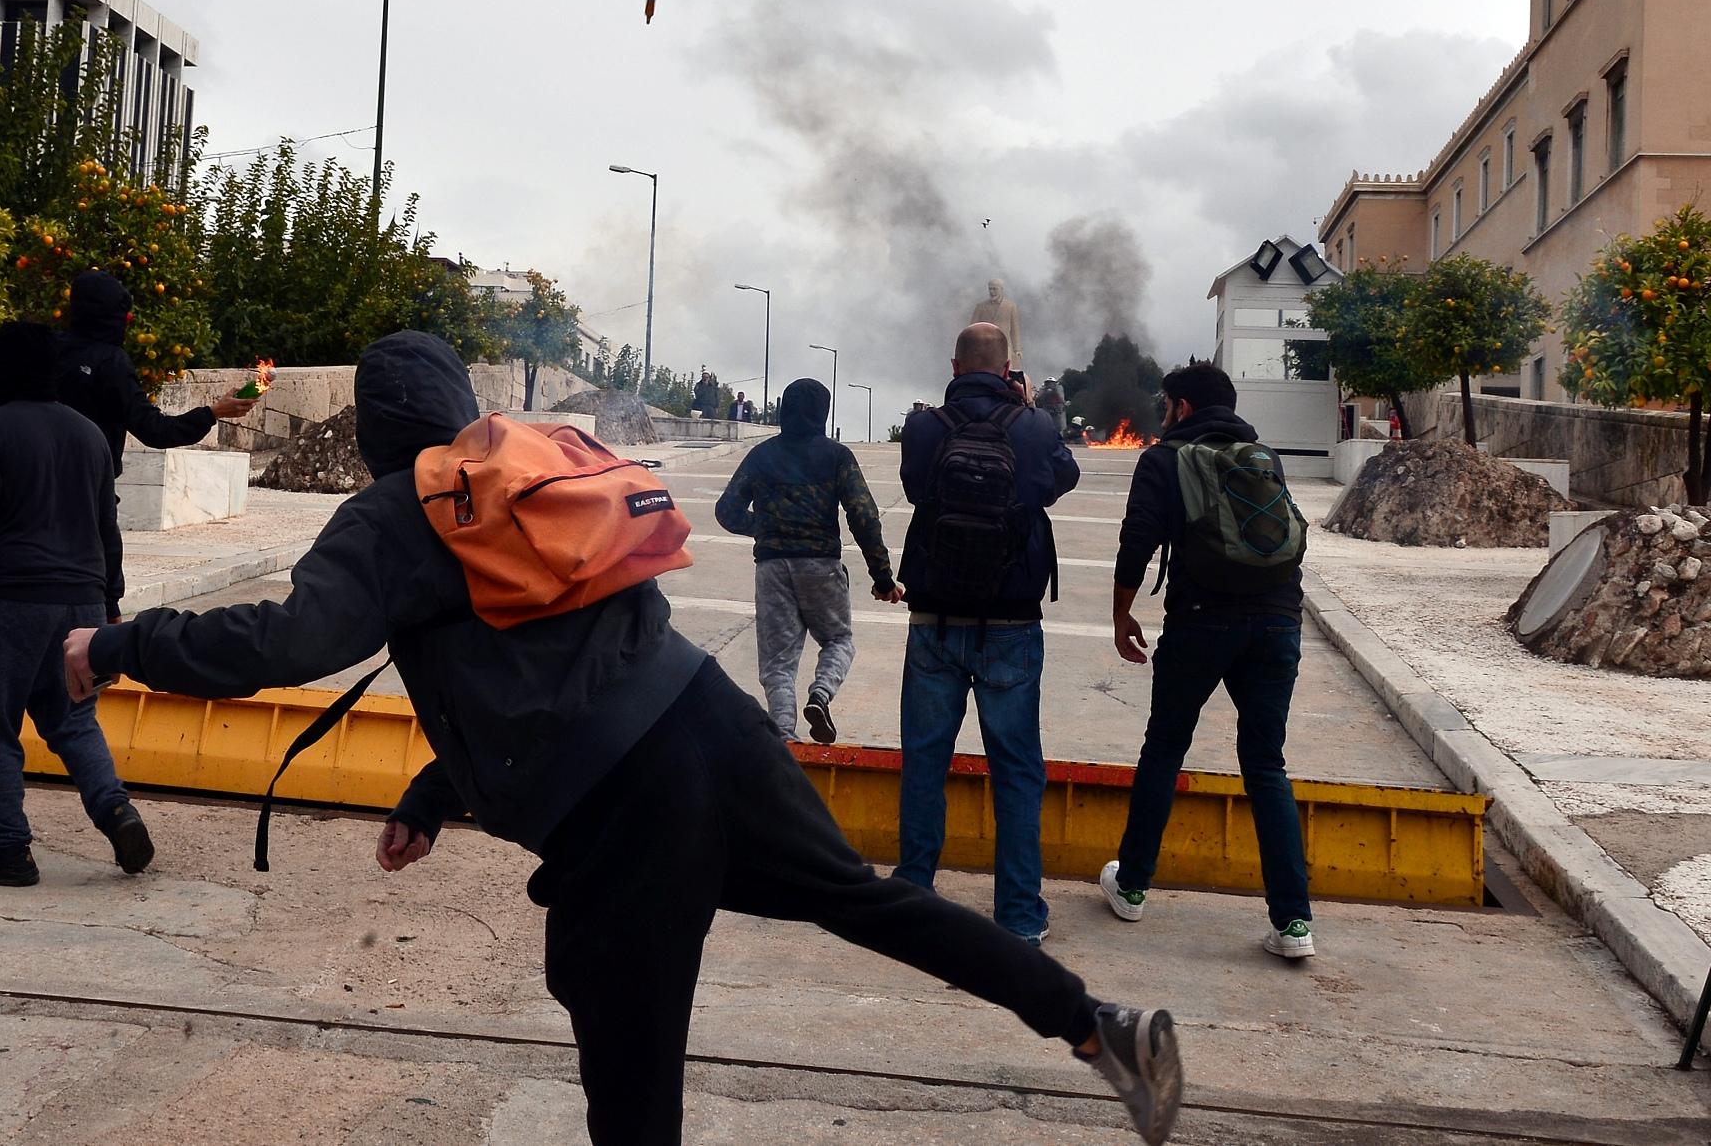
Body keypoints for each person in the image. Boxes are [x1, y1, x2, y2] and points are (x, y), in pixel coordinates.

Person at [62, 332, 1183, 1146]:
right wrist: (431, 790)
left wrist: (119, 643)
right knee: (867, 899)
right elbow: (539, 659)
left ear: (373, 427)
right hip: (711, 719)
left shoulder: (396, 510)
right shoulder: (526, 471)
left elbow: (282, 641)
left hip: (621, 807)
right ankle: (1092, 1020)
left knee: (625, 1061)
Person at [1102, 362, 1315, 959]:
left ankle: (1134, 885)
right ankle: (1293, 923)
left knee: (1166, 748)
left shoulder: (1163, 459)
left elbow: (1136, 540)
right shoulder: (1262, 455)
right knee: (1266, 765)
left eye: (1167, 405)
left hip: (1200, 621)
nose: (1162, 414)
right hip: (1277, 621)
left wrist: (1121, 616)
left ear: (1183, 408)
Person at [0, 322, 154, 888]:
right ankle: (114, 809)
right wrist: (109, 603)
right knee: (75, 720)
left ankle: (9, 847)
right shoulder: (89, 436)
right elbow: (108, 527)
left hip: (10, 605)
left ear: (0, 372)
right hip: (81, 604)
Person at [895, 322, 1079, 944]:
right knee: (1017, 768)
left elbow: (918, 489)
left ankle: (915, 894)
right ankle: (1020, 915)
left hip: (934, 618)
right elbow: (1063, 479)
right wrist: (1026, 411)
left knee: (925, 759)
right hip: (1012, 623)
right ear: (1008, 370)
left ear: (954, 366)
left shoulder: (923, 427)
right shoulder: (1033, 427)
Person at [715, 378, 900, 743]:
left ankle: (784, 735)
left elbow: (726, 510)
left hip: (771, 568)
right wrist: (883, 578)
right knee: (838, 640)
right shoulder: (836, 456)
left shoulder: (761, 455)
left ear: (783, 409)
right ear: (824, 413)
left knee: (777, 663)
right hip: (821, 565)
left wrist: (765, 528)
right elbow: (863, 516)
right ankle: (820, 694)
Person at [56, 271, 254, 610]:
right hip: (87, 492)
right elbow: (154, 430)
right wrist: (213, 412)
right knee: (92, 591)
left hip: (30, 486)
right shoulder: (110, 362)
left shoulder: (47, 351)